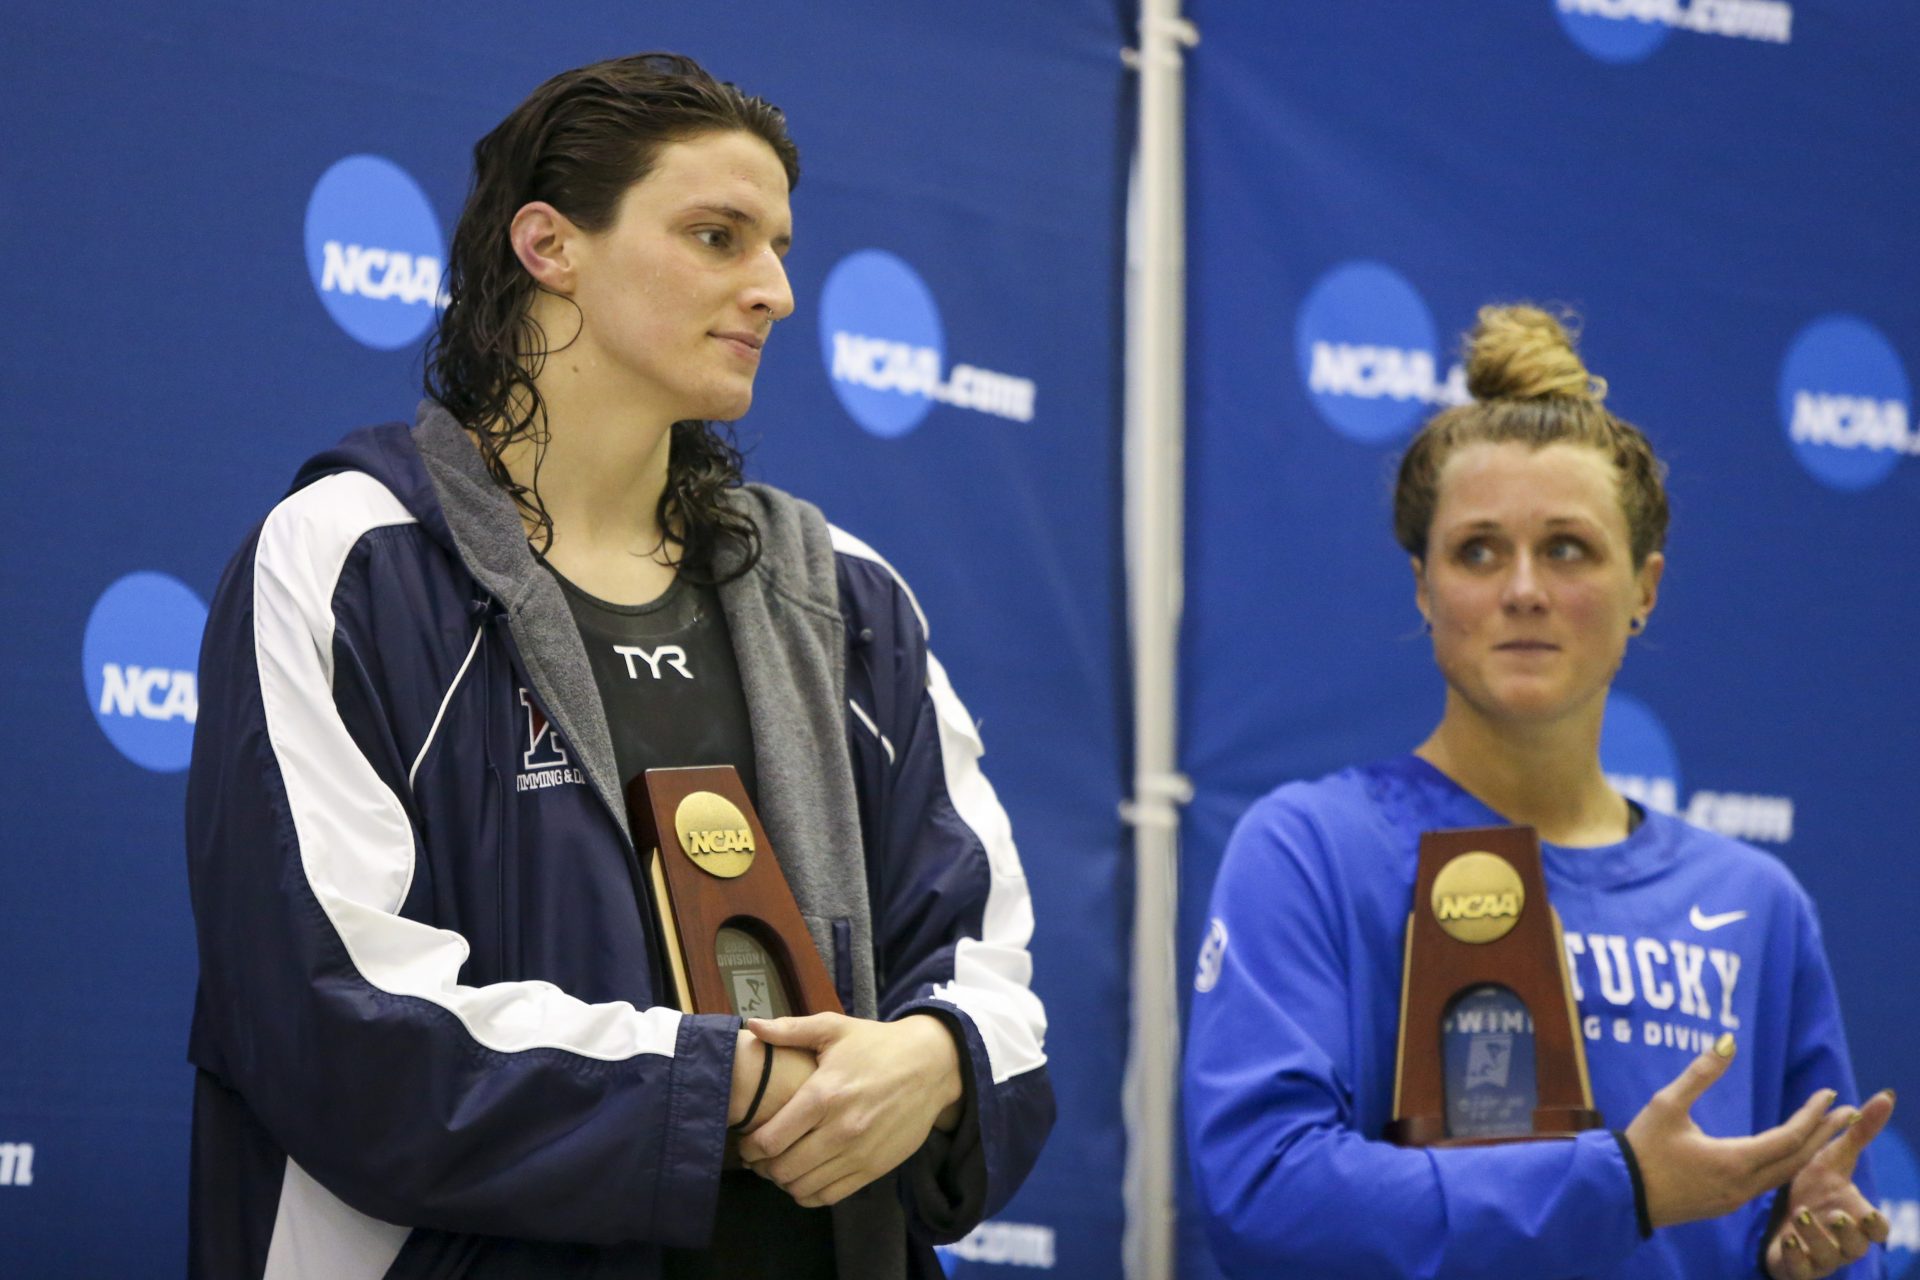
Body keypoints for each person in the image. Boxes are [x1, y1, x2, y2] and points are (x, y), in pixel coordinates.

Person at [183, 52, 1052, 1280]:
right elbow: (340, 1013)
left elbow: (983, 965)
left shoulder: (845, 595)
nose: (777, 291)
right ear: (549, 246)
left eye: (781, 246)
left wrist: (938, 1058)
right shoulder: (352, 561)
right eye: (717, 235)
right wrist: (732, 1084)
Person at [1183, 305, 1895, 1279]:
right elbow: (1262, 1192)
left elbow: (1812, 1230)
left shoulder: (1760, 906)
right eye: (1478, 550)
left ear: (1645, 588)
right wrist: (1619, 1183)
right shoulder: (1314, 848)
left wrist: (1802, 1257)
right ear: (1424, 587)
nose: (1523, 588)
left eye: (1568, 547)